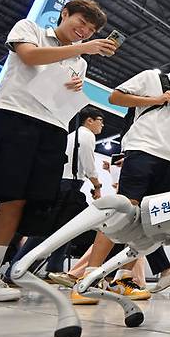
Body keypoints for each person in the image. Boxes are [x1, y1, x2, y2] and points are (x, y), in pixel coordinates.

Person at [0, 0, 114, 302]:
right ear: (64, 14)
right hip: (11, 116)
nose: (84, 32)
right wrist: (81, 49)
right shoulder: (31, 29)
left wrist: (74, 84)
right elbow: (28, 56)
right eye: (81, 22)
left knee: (16, 200)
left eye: (90, 31)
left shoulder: (80, 61)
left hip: (51, 127)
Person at [70, 47, 170, 304]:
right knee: (124, 213)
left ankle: (124, 278)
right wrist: (154, 100)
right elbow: (116, 97)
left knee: (149, 222)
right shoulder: (151, 78)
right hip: (144, 149)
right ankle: (86, 279)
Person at [7, 105, 105, 278]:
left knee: (63, 230)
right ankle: (16, 270)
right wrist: (97, 186)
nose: (102, 126)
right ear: (89, 120)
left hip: (59, 183)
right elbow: (89, 165)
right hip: (68, 187)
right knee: (46, 232)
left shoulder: (71, 136)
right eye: (100, 121)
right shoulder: (87, 135)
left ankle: (53, 269)